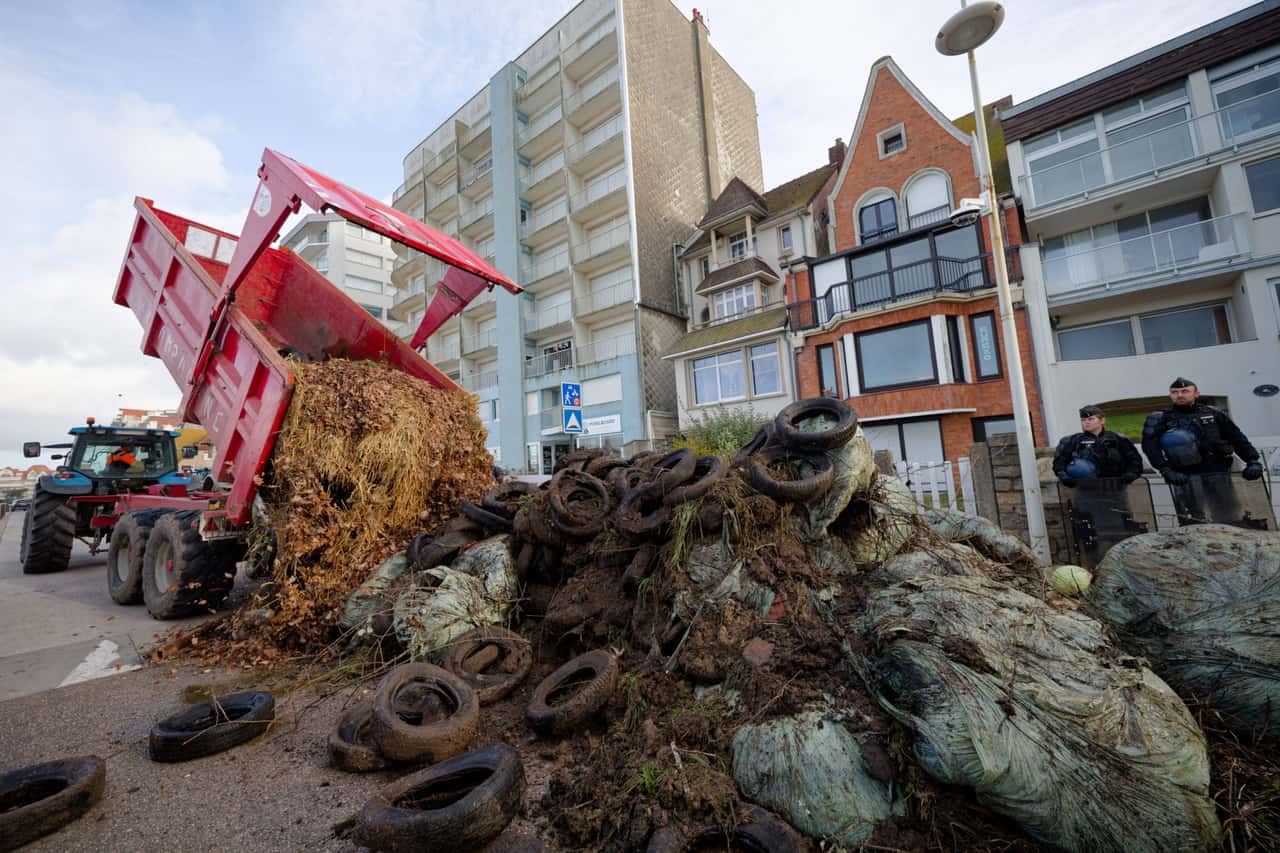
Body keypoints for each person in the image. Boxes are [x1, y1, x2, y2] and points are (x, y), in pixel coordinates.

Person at [1142, 377, 1263, 525]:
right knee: (1194, 519)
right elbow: (1150, 447)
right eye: (1175, 392)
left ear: (1196, 394)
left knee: (1228, 515)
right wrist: (1165, 470)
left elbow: (1237, 438)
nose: (1179, 395)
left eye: (1185, 391)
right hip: (1184, 476)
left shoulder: (1213, 413)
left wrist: (1252, 460)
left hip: (1218, 471)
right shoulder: (1160, 418)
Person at [1052, 405, 1143, 487]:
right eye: (1083, 420)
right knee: (1080, 466)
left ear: (1102, 420)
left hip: (1116, 488)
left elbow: (1135, 460)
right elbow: (1060, 463)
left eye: (1091, 419)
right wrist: (1064, 477)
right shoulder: (1072, 441)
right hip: (1085, 491)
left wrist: (1131, 474)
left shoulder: (1118, 439)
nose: (1086, 422)